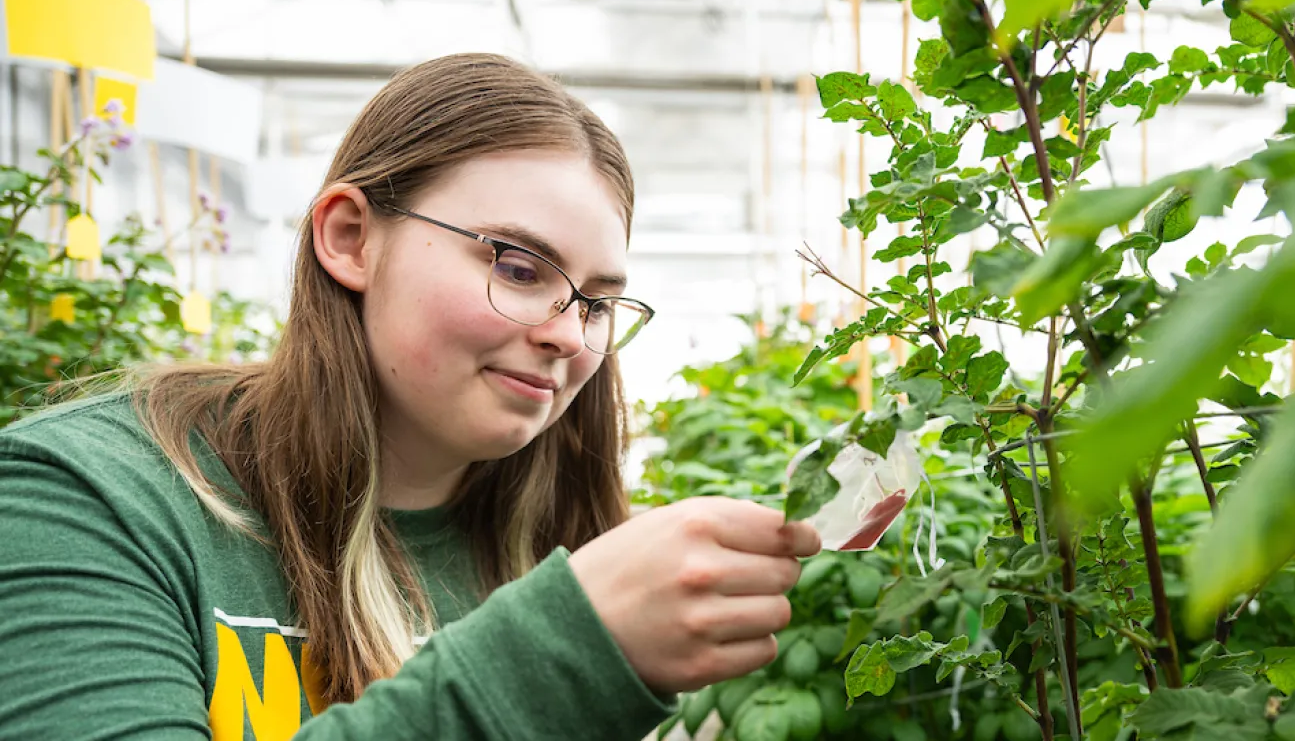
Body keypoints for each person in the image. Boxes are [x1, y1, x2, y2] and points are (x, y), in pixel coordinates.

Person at [0, 53, 821, 740]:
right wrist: (563, 650)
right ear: (350, 238)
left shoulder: (561, 537)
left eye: (598, 303)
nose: (570, 337)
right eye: (517, 266)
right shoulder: (86, 496)